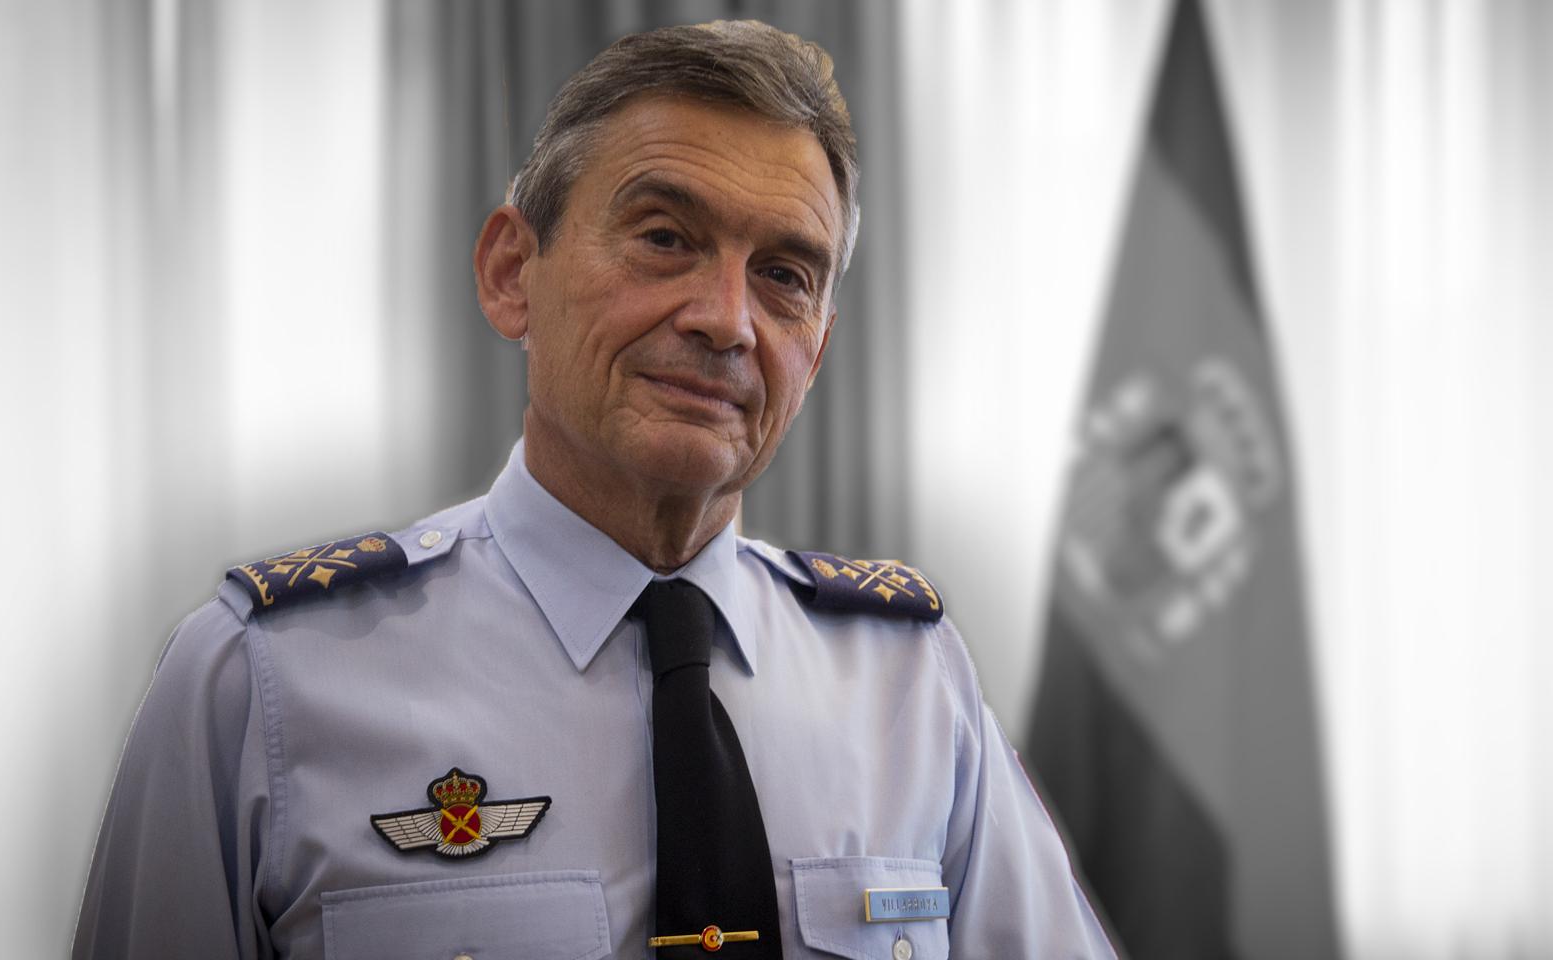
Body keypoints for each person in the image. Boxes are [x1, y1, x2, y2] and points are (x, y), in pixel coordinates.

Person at [73, 20, 1115, 960]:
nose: (726, 321)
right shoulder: (261, 682)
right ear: (511, 273)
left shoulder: (910, 684)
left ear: (818, 349)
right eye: (665, 239)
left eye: (784, 277)